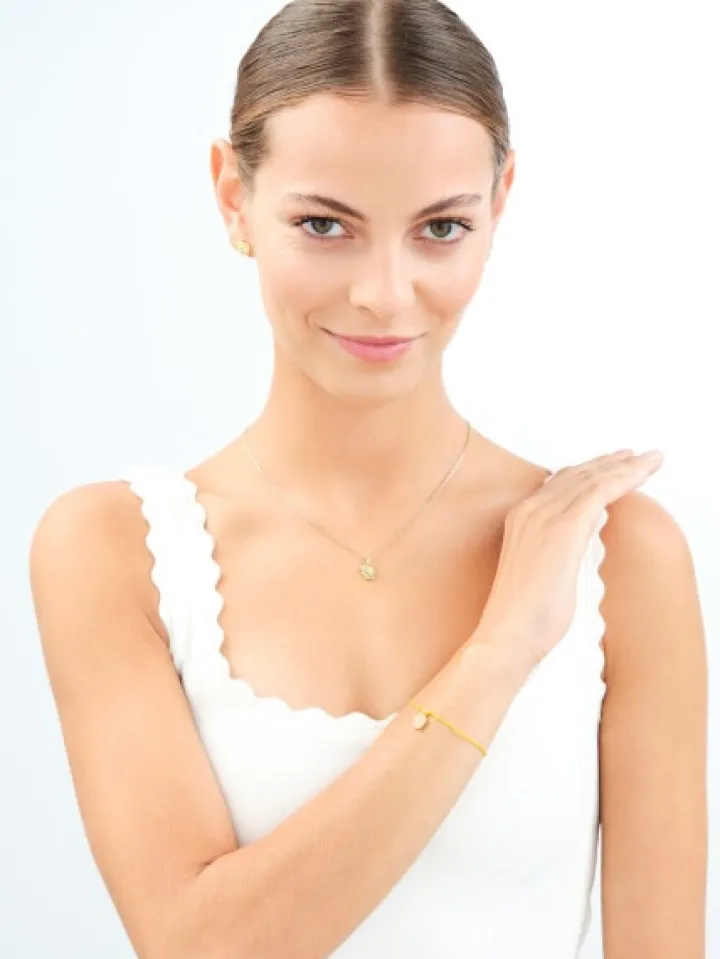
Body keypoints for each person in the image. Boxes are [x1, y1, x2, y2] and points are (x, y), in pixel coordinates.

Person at [29, 1, 708, 957]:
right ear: (232, 197)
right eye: (324, 224)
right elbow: (195, 946)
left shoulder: (620, 557)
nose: (385, 293)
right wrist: (500, 647)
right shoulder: (115, 552)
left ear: (500, 202)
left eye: (441, 227)